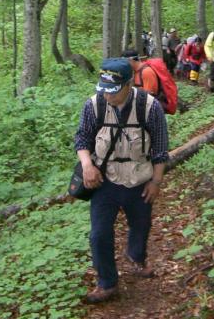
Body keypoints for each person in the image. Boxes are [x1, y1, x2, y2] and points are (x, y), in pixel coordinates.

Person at [74, 58, 169, 303]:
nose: (107, 96)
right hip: (105, 180)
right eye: (103, 89)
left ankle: (136, 257)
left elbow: (160, 149)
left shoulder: (149, 107)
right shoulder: (93, 105)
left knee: (141, 224)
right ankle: (107, 283)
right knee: (99, 234)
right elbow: (82, 138)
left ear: (128, 84)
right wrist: (87, 165)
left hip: (139, 179)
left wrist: (156, 183)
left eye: (112, 91)